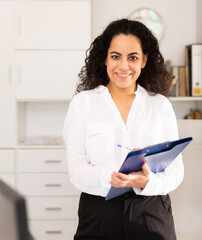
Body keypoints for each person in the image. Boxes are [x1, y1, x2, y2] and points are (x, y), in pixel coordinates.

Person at [63, 18, 184, 240]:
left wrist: (146, 181)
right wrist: (114, 177)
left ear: (144, 60)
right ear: (105, 59)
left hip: (151, 213)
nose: (124, 65)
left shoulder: (159, 105)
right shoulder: (83, 104)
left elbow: (176, 172)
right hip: (99, 214)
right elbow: (77, 169)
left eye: (133, 57)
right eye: (116, 56)